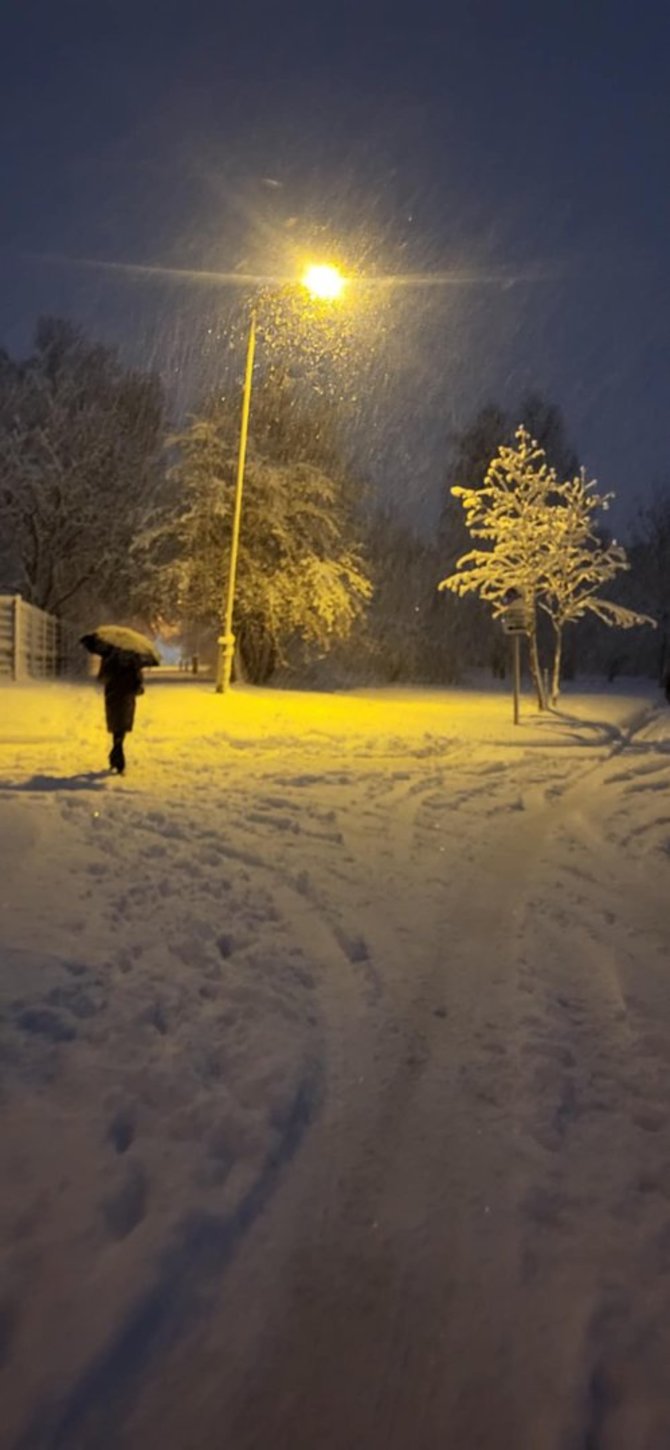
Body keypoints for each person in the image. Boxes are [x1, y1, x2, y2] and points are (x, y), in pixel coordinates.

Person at [98, 647, 144, 774]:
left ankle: (116, 753)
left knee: (116, 725)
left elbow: (102, 677)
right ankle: (117, 752)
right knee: (122, 725)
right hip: (127, 696)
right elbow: (138, 681)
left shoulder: (108, 656)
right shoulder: (133, 657)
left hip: (112, 695)